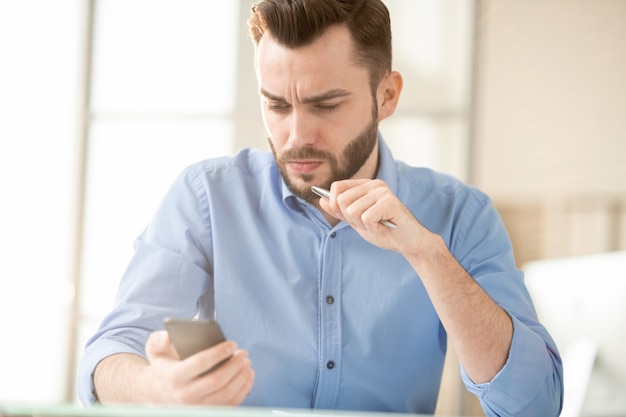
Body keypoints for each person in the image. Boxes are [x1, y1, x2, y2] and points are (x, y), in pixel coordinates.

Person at [77, 0, 563, 415]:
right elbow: (109, 354)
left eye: (326, 105)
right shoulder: (206, 197)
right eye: (277, 106)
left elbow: (535, 403)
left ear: (387, 94)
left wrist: (429, 257)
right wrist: (156, 389)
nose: (296, 137)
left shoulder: (461, 216)